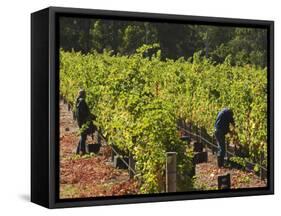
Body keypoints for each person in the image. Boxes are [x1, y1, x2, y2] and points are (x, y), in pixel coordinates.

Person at [75, 89, 96, 155]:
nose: (86, 95)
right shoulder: (82, 102)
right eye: (85, 94)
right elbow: (85, 113)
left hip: (80, 121)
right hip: (83, 121)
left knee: (82, 135)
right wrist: (92, 117)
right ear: (83, 94)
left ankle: (78, 151)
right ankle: (82, 151)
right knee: (83, 136)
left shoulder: (78, 101)